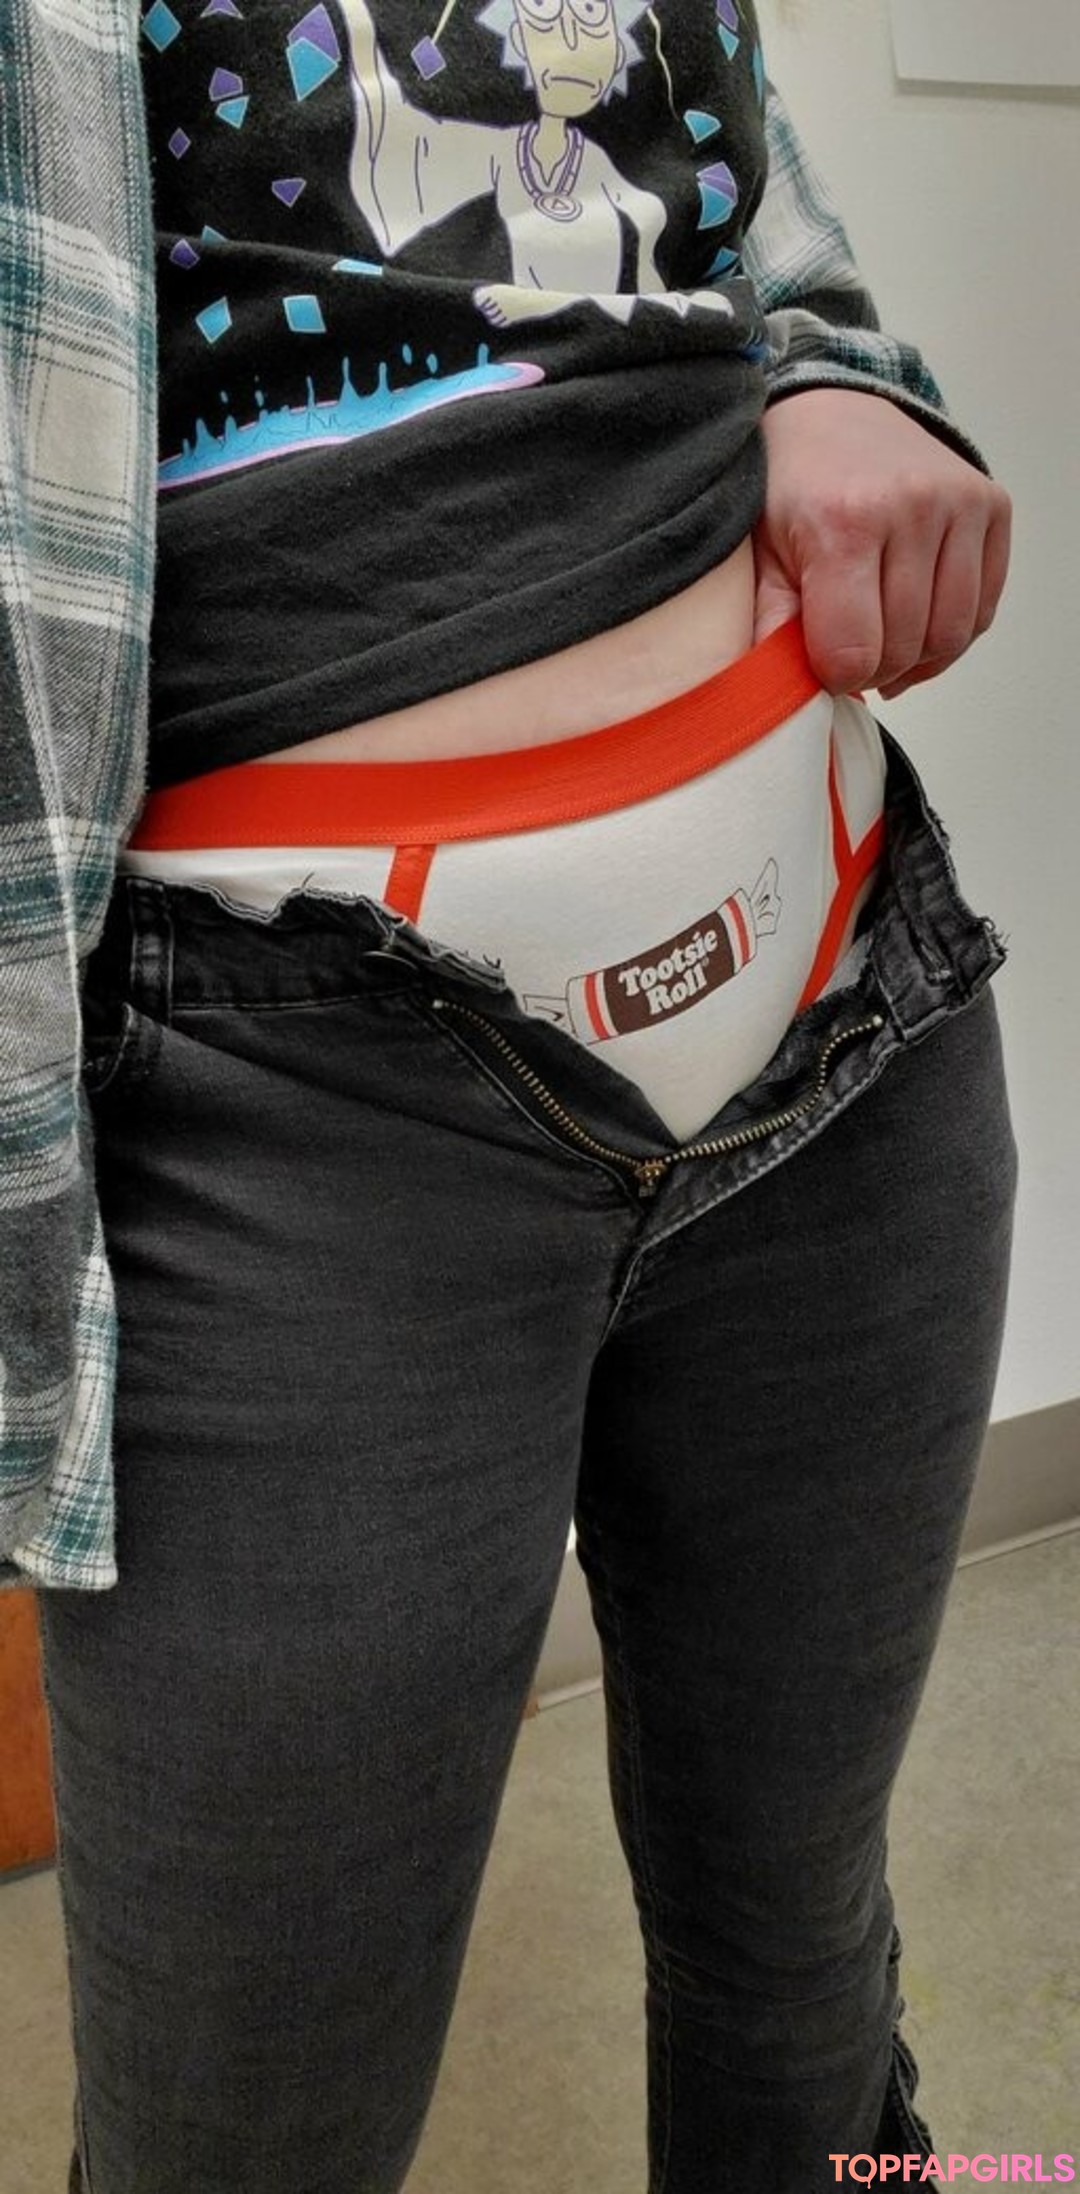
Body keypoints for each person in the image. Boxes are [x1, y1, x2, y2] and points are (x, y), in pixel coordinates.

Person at [1, 2, 1016, 2190]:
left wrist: (837, 365)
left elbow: (722, 213)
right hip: (287, 1119)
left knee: (813, 1989)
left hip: (852, 999)